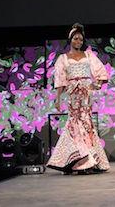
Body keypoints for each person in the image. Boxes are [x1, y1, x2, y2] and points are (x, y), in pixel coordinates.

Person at [46, 23, 110, 174]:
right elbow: (60, 79)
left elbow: (101, 70)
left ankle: (89, 160)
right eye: (76, 39)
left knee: (86, 123)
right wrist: (58, 98)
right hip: (73, 94)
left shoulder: (88, 55)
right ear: (70, 40)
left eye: (81, 40)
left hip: (86, 93)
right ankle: (78, 160)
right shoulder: (63, 58)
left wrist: (97, 85)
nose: (78, 42)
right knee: (74, 122)